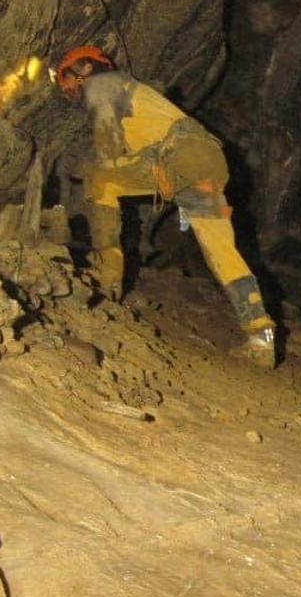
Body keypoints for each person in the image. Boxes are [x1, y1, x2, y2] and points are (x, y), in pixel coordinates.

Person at [54, 45, 276, 368]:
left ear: (86, 68)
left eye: (67, 77)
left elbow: (109, 152)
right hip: (209, 162)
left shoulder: (102, 85)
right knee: (222, 252)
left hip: (179, 156)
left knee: (100, 179)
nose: (67, 89)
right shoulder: (134, 93)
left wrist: (86, 167)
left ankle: (106, 281)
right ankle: (261, 336)